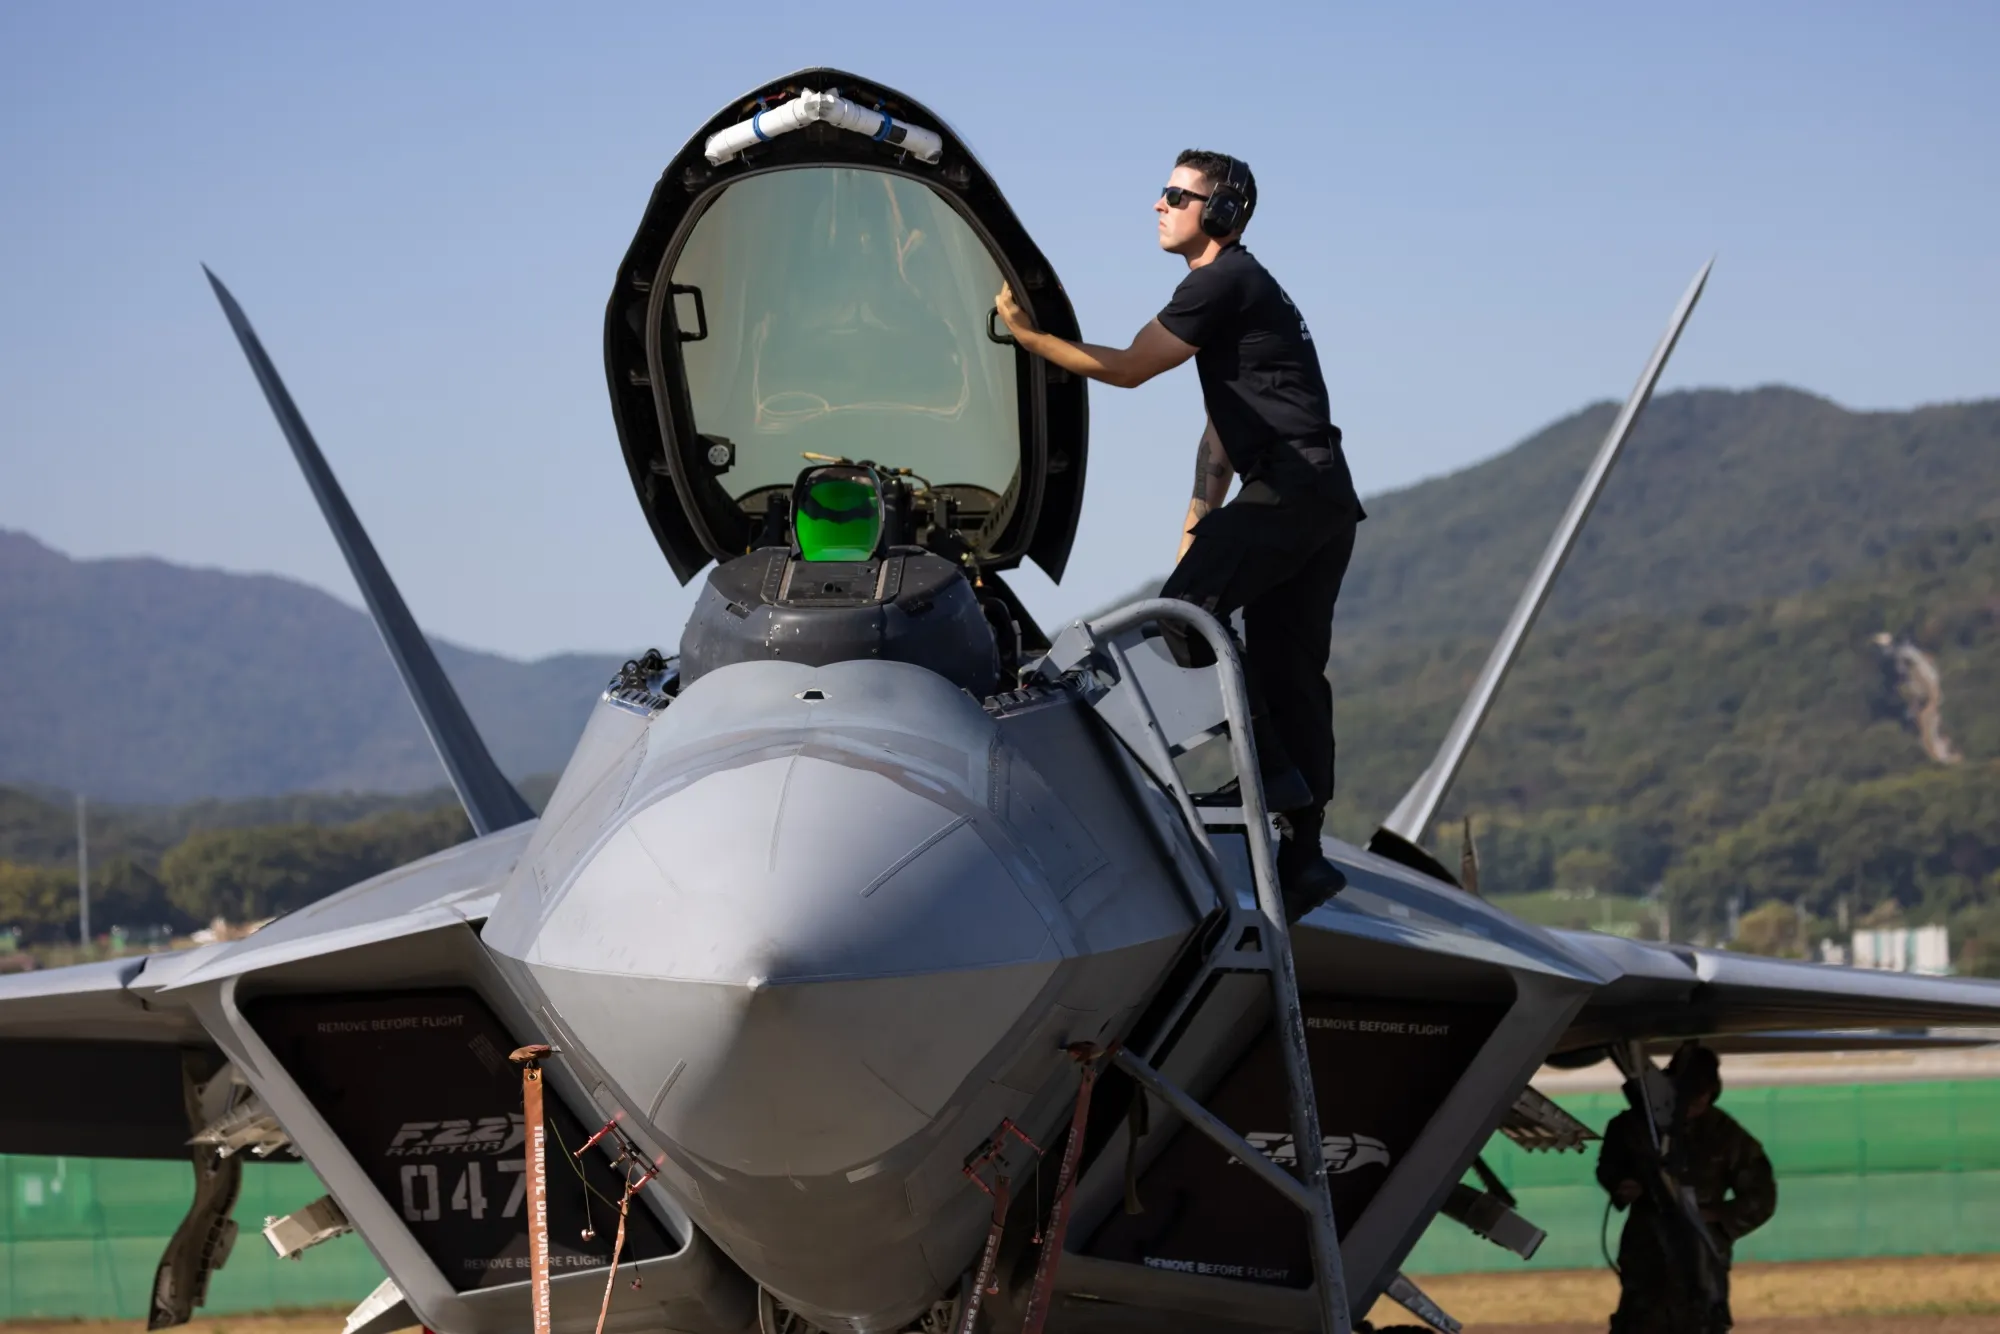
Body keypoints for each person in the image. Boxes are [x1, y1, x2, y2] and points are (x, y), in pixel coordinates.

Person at [994, 150, 1364, 920]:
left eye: (1176, 195)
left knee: (1183, 615)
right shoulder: (1243, 291)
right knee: (1291, 673)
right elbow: (1224, 422)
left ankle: (1277, 776)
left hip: (1291, 493)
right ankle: (1304, 855)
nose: (1159, 205)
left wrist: (1029, 340)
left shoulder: (1219, 280)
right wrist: (1200, 513)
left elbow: (1130, 369)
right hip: (1321, 499)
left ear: (1222, 215)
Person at [1595, 1045, 1778, 1333]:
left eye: (1701, 1094)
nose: (1694, 1102)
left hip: (1702, 1260)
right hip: (1647, 1255)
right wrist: (1622, 1185)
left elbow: (1762, 1196)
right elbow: (1609, 1167)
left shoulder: (1725, 1134)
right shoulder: (1634, 1126)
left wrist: (1713, 1216)